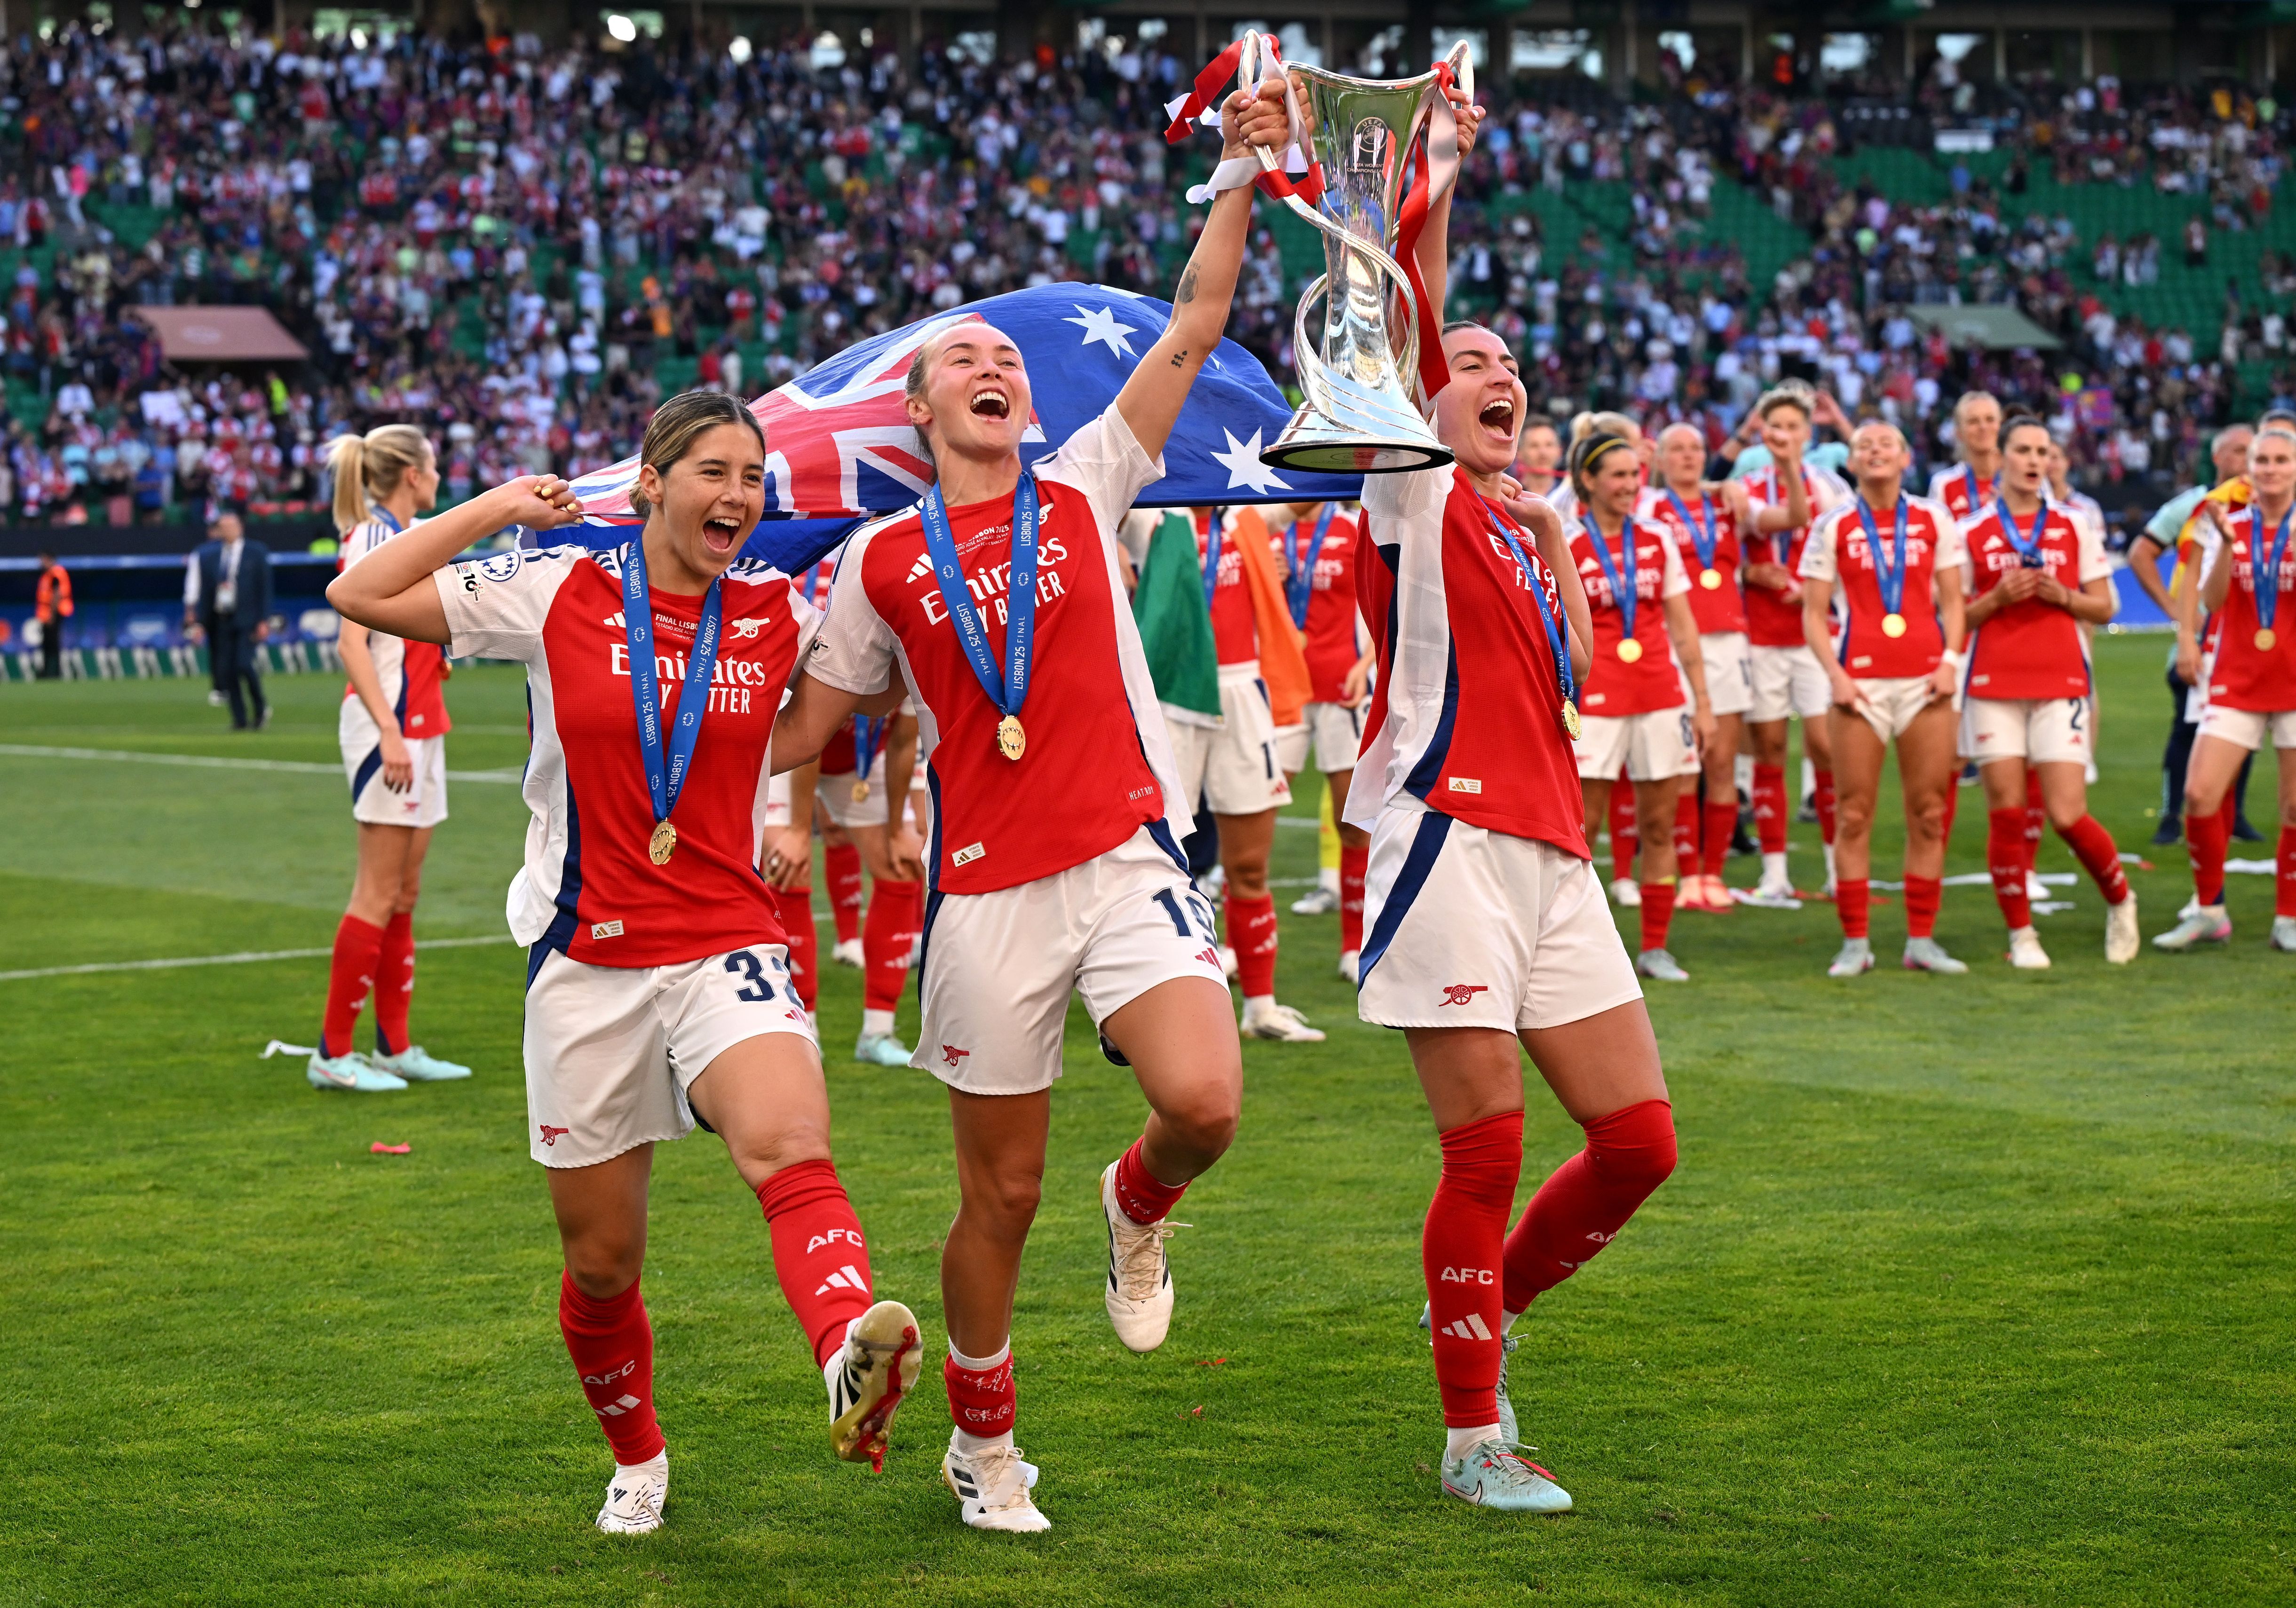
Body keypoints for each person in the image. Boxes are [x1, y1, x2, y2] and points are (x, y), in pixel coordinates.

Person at [770, 80, 1285, 1533]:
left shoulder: (1085, 480)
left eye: (1005, 354)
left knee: (1204, 1099)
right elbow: (814, 728)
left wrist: (1235, 174)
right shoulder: (877, 564)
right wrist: (699, 721)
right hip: (986, 896)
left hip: (1124, 860)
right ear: (921, 408)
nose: (994, 364)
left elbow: (1189, 324)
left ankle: (1137, 1208)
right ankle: (980, 1447)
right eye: (964, 359)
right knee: (994, 1199)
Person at [325, 391, 924, 1536]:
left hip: (725, 941)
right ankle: (638, 1456)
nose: (737, 496)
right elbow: (359, 594)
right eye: (711, 471)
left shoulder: (771, 606)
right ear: (648, 482)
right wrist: (504, 505)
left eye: (752, 477)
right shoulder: (556, 585)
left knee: (789, 1143)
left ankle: (848, 1346)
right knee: (602, 1263)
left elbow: (805, 724)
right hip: (587, 961)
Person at [1350, 97, 1676, 1515]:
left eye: (1507, 369)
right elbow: (1409, 313)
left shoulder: (1508, 519)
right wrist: (1438, 173)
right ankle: (1472, 1433)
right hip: (1442, 839)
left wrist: (1551, 532)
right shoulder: (1407, 490)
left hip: (1551, 848)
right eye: (1467, 364)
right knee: (1485, 1141)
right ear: (1422, 395)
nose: (1494, 376)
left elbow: (1585, 682)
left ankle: (1478, 1306)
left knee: (1638, 1144)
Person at [307, 424, 475, 1092]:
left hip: (420, 725)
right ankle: (332, 1053)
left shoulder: (404, 535)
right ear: (413, 474)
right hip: (392, 732)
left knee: (404, 893)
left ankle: (394, 1046)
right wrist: (390, 730)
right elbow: (353, 646)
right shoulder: (373, 538)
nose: (439, 474)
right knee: (377, 892)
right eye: (434, 464)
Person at [1958, 416, 2139, 967]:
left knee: (2065, 813)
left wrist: (2062, 595)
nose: (2034, 461)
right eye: (2023, 450)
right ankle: (2022, 936)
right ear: (2001, 458)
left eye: (2042, 451)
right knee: (2007, 813)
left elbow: (2106, 606)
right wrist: (1995, 599)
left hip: (2060, 678)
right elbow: (1954, 618)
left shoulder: (2073, 525)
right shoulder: (1968, 531)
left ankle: (2120, 900)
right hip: (1992, 682)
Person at [1801, 421, 1969, 977]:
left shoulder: (1933, 518)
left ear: (1904, 457)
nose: (1875, 451)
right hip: (1860, 686)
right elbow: (1814, 614)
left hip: (1926, 682)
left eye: (1886, 444)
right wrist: (1836, 675)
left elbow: (1953, 602)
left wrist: (1950, 664)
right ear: (1850, 460)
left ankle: (1921, 940)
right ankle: (1855, 943)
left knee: (1928, 812)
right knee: (1853, 815)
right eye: (1864, 445)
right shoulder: (1833, 524)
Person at [1169, 500, 1325, 1039]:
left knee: (1250, 867)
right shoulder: (1147, 512)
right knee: (1153, 867)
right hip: (1167, 699)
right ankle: (1156, 1003)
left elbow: (1309, 484)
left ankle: (1261, 1009)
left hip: (1243, 695)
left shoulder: (1245, 511)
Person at [1567, 432, 1717, 981]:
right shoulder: (1565, 542)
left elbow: (1682, 624)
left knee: (1659, 826)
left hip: (1658, 694)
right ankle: (1578, 953)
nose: (1631, 487)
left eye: (1635, 476)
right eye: (1618, 476)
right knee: (1581, 832)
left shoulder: (1656, 539)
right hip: (1595, 700)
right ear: (1588, 480)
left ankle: (1654, 948)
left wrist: (1702, 703)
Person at [2156, 423, 2296, 953]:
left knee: (2293, 808)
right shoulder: (2226, 520)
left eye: (2281, 461)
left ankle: (2288, 916)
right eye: (2262, 461)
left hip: (2293, 679)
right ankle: (2209, 909)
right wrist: (2228, 550)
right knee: (2199, 794)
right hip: (2236, 677)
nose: (2270, 470)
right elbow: (2214, 601)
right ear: (2250, 469)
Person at [1740, 388, 1849, 906]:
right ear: (1763, 430)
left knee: (1826, 749)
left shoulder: (1831, 486)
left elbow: (1852, 551)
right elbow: (1725, 552)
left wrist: (1818, 591)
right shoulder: (1744, 488)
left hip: (1814, 635)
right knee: (1769, 750)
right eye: (1774, 425)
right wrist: (1747, 572)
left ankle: (1836, 866)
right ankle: (1775, 872)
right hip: (1761, 635)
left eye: (1792, 426)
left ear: (1807, 433)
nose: (1783, 434)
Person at [1643, 423, 1757, 913]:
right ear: (1660, 459)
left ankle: (1714, 873)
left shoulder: (1728, 502)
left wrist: (1718, 487)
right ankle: (1688, 876)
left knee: (1722, 761)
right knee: (1685, 766)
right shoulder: (1647, 507)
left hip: (1728, 642)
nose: (1687, 457)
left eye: (1695, 449)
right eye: (1677, 450)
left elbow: (1790, 517)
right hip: (1671, 642)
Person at [2128, 426, 2256, 845]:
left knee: (2243, 730)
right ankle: (2171, 815)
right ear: (2218, 458)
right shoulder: (2193, 505)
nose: (2246, 460)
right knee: (2187, 728)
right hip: (2200, 636)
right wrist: (2174, 612)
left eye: (2252, 452)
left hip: (2247, 638)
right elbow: (2141, 552)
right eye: (2239, 451)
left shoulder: (2265, 507)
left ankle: (2234, 815)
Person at [1270, 500, 1375, 981]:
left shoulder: (1354, 527)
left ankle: (1356, 946)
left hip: (1343, 690)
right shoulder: (1266, 527)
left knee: (1351, 822)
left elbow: (1384, 601)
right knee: (1251, 814)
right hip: (1282, 688)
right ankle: (1229, 950)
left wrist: (1366, 664)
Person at [807, 708, 926, 1063]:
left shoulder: (910, 655)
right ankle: (803, 1031)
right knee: (788, 869)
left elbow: (904, 740)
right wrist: (799, 831)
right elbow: (802, 735)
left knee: (901, 867)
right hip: (784, 756)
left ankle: (877, 1034)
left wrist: (894, 831)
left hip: (860, 762)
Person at [183, 508, 274, 729]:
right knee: (228, 670)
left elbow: (265, 588)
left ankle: (260, 707)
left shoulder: (256, 552)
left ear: (240, 528)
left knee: (244, 664)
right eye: (223, 528)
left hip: (247, 620)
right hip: (221, 620)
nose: (227, 531)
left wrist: (263, 620)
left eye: (230, 527)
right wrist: (201, 624)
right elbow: (206, 593)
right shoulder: (212, 556)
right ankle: (240, 719)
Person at [1926, 390, 2004, 522]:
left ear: (2001, 426)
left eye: (1990, 419)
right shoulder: (1943, 484)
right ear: (1958, 432)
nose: (1983, 427)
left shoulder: (2022, 478)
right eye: (1973, 421)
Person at [32, 549, 70, 679]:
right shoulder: (47, 575)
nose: (40, 562)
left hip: (54, 614)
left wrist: (52, 615)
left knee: (53, 644)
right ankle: (47, 672)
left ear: (49, 559)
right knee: (46, 644)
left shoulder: (56, 574)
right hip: (46, 615)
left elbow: (57, 595)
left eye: (43, 559)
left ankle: (55, 673)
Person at [1512, 418, 1564, 499]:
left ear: (1560, 451)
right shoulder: (1509, 496)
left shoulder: (1573, 498)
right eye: (1534, 446)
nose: (1543, 453)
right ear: (1519, 453)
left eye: (1549, 445)